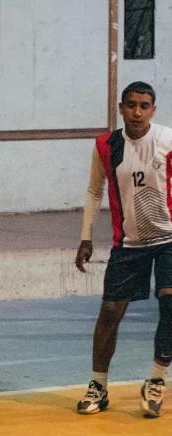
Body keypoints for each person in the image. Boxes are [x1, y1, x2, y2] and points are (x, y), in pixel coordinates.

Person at [75, 81, 172, 418]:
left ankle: (156, 379)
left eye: (144, 106)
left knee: (171, 304)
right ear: (120, 109)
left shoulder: (167, 140)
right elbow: (94, 191)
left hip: (169, 239)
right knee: (110, 312)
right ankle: (98, 386)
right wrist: (86, 237)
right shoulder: (106, 145)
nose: (137, 112)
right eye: (131, 105)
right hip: (128, 243)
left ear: (153, 110)